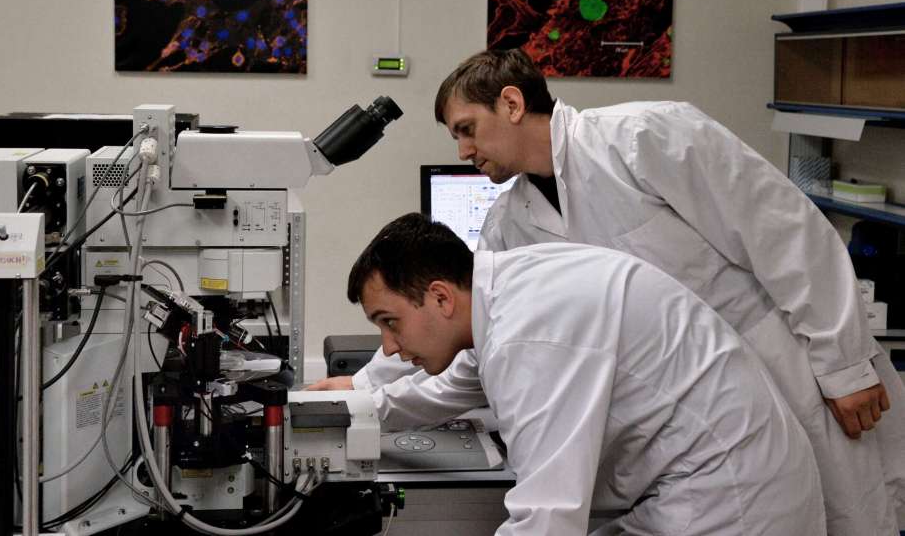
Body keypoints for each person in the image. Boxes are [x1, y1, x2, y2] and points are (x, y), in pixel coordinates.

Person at [311, 49, 905, 535]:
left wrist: (843, 362)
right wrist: (363, 389)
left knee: (853, 515)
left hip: (793, 363)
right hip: (682, 416)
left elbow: (783, 233)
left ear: (512, 104)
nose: (463, 152)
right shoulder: (507, 224)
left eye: (467, 130)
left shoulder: (645, 135)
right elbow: (464, 331)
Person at [348, 212, 825, 535]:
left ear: (440, 297)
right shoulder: (503, 295)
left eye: (390, 322)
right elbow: (447, 389)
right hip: (696, 484)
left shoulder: (528, 334)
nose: (388, 346)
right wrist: (353, 407)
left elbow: (547, 517)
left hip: (732, 499)